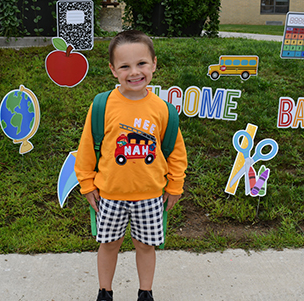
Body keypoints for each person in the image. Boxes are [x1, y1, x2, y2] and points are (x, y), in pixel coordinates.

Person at [75, 30, 187, 301]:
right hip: (110, 195)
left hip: (150, 196)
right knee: (108, 245)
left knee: (145, 246)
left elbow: (176, 153)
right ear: (113, 70)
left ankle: (145, 292)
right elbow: (87, 147)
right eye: (125, 66)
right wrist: (87, 183)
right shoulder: (103, 105)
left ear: (154, 65)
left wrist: (175, 185)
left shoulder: (163, 110)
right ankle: (105, 291)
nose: (134, 72)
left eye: (141, 64)